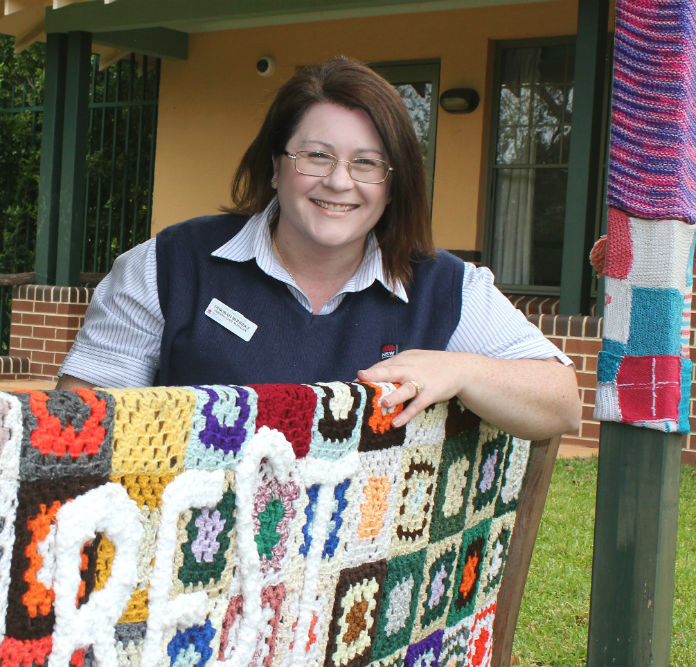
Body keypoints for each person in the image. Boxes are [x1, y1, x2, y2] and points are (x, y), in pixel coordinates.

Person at [57, 56, 580, 441]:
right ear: (275, 165)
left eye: (367, 163)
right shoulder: (168, 265)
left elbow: (561, 404)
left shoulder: (445, 287)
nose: (338, 182)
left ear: (394, 184)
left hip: (364, 577)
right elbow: (78, 429)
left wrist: (464, 370)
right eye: (316, 155)